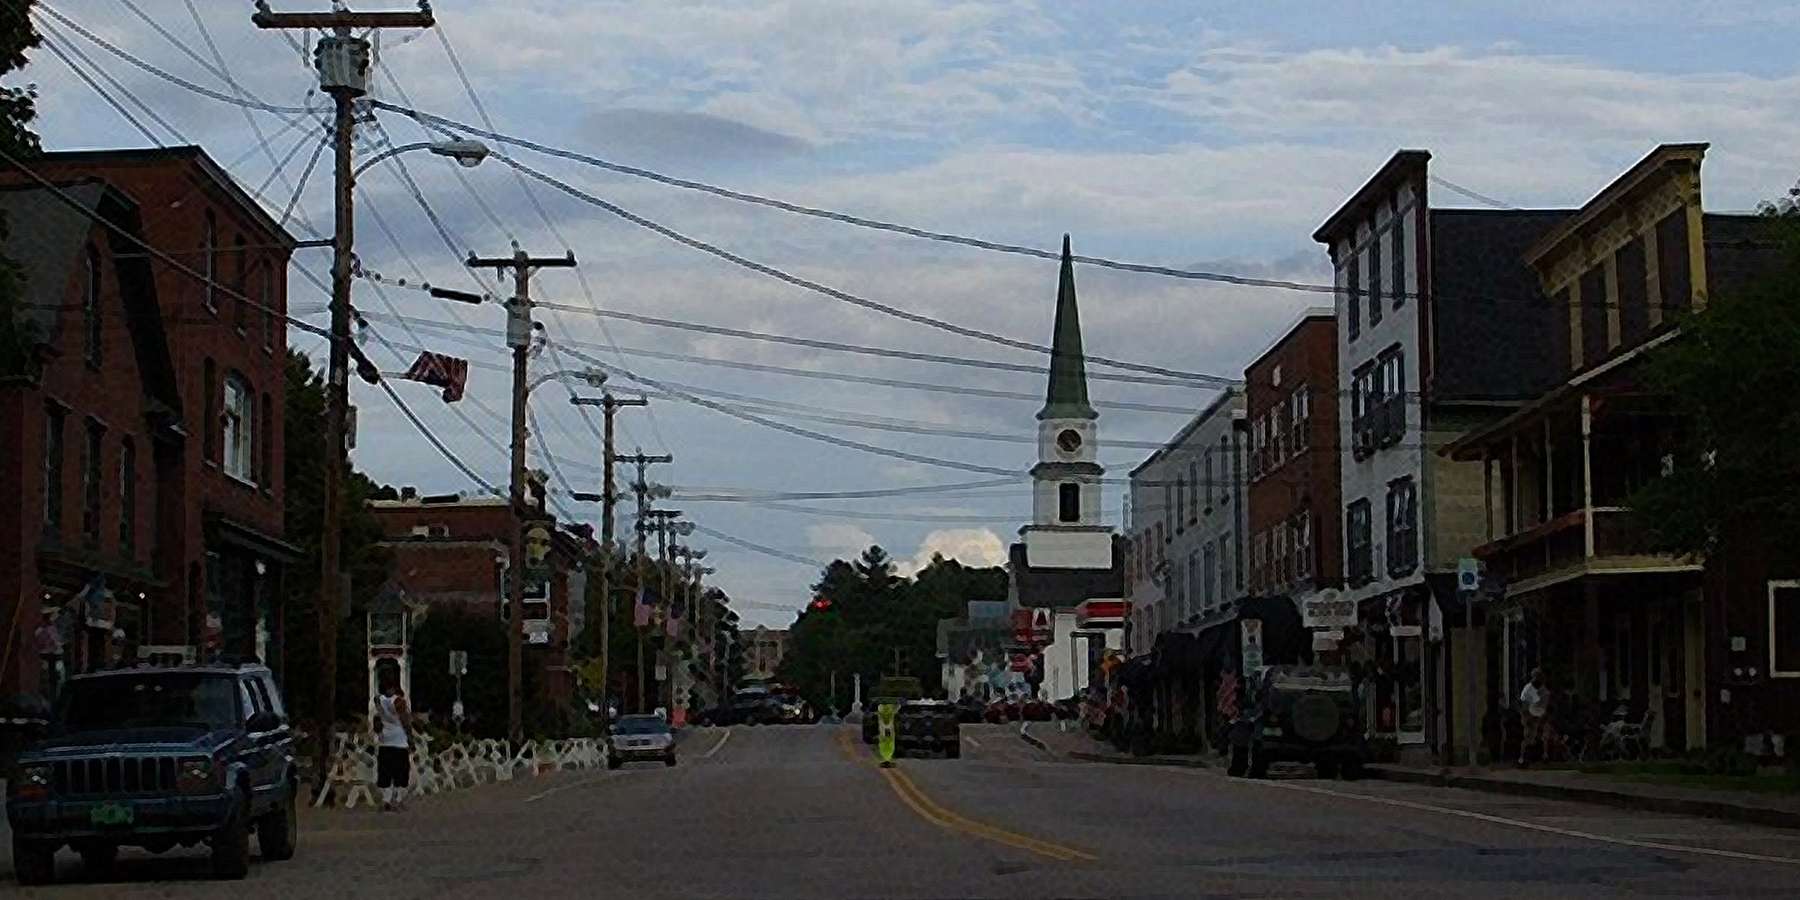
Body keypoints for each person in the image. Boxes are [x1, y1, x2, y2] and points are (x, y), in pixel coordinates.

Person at [374, 668, 413, 812]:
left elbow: (377, 718)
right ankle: (397, 799)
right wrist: (410, 738)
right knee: (400, 772)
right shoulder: (398, 701)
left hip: (385, 740)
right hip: (399, 740)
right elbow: (405, 721)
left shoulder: (378, 700)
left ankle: (386, 799)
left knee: (386, 771)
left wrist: (380, 732)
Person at [1518, 668, 1548, 766]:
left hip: (1539, 716)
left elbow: (1543, 704)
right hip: (1529, 716)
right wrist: (1528, 718)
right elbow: (1525, 706)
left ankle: (1544, 756)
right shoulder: (1528, 689)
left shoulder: (1542, 689)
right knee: (1528, 737)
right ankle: (1522, 758)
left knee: (1543, 735)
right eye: (1538, 676)